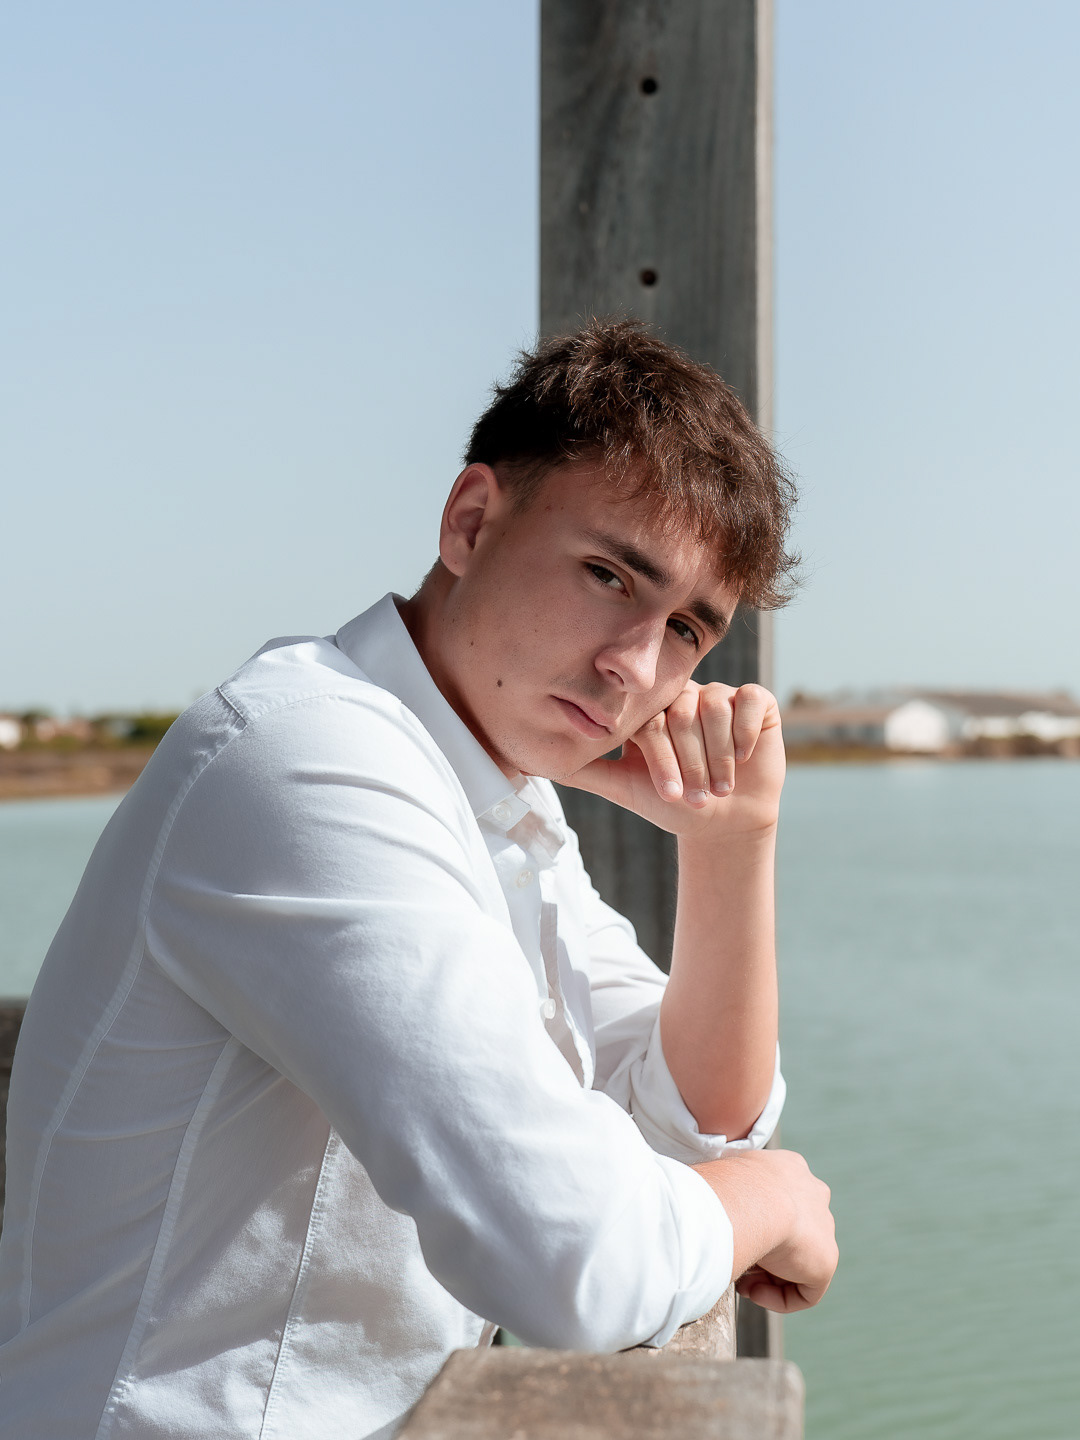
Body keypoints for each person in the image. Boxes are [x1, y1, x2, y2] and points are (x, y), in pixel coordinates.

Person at [0, 321, 837, 1439]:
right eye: (607, 576)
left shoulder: (491, 791)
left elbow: (685, 1134)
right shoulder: (310, 764)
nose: (635, 667)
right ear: (471, 522)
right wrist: (774, 1196)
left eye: (687, 629)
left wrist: (732, 845)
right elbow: (579, 1264)